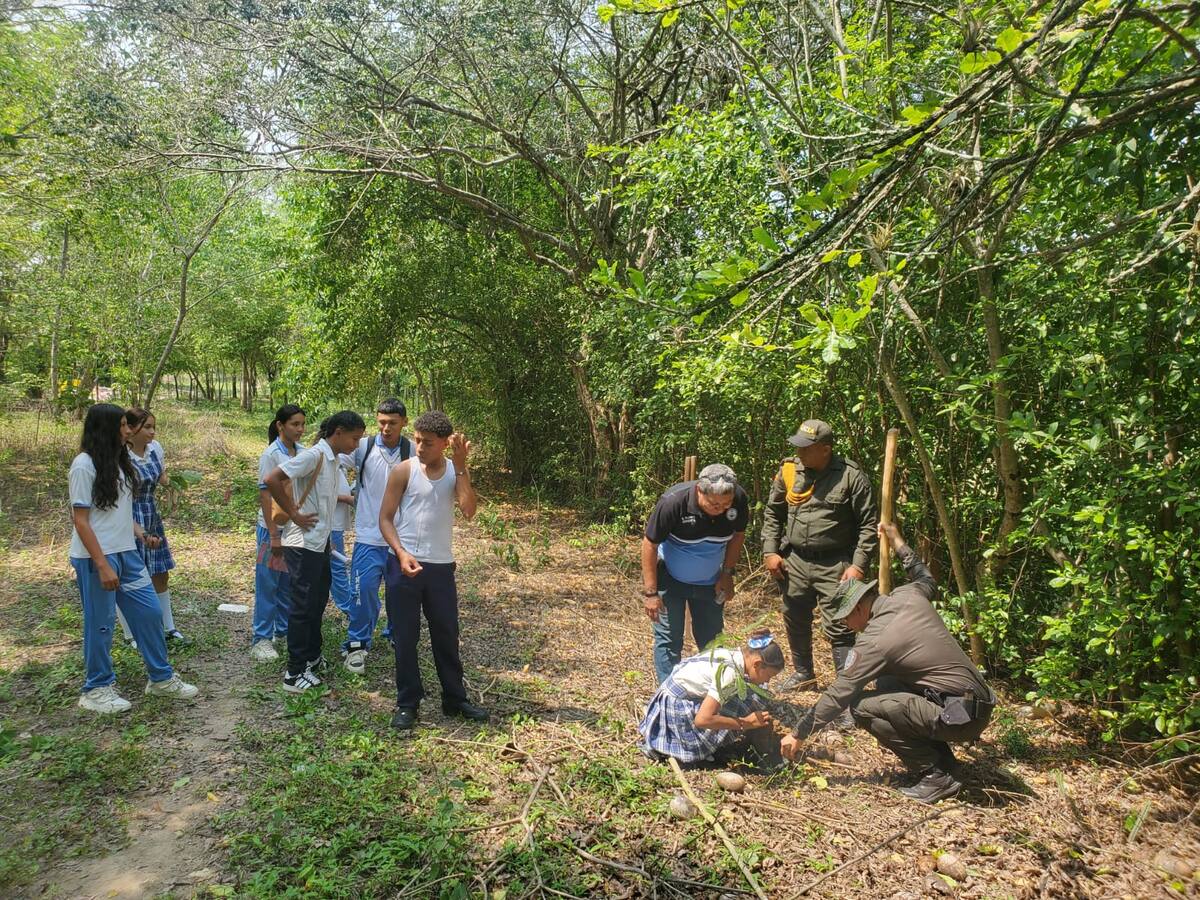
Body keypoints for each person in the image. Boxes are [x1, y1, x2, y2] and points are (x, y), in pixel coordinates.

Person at [780, 521, 995, 804]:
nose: (846, 627)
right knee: (887, 681)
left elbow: (840, 692)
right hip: (975, 704)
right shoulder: (907, 595)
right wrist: (897, 540)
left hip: (959, 716)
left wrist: (799, 733)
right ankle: (944, 764)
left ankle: (936, 775)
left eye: (845, 620)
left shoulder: (876, 639)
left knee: (861, 707)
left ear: (858, 608)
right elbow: (925, 577)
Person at [68, 403, 199, 714]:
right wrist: (102, 565)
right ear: (106, 429)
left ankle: (160, 679)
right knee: (101, 624)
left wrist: (140, 534)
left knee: (150, 613)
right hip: (95, 557)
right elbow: (81, 521)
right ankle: (96, 688)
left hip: (127, 552)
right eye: (123, 425)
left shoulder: (120, 462)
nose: (129, 430)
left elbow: (120, 512)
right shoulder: (84, 465)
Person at [378, 410, 487, 730]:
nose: (420, 447)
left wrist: (462, 466)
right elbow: (385, 519)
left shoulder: (455, 471)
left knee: (446, 633)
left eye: (427, 442)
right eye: (417, 440)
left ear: (444, 443)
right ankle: (407, 703)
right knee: (405, 636)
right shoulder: (404, 470)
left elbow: (469, 510)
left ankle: (454, 698)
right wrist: (400, 553)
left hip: (440, 567)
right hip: (402, 565)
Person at [761, 419, 878, 700]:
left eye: (806, 448)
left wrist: (858, 565)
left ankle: (845, 693)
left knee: (841, 626)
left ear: (826, 449)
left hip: (835, 564)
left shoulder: (850, 477)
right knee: (795, 616)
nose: (799, 453)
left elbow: (868, 526)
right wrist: (770, 551)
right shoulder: (790, 471)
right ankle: (804, 675)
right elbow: (773, 513)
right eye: (798, 447)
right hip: (795, 561)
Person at [265, 410, 367, 693]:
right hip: (302, 544)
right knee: (302, 606)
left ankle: (312, 657)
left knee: (317, 601)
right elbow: (272, 479)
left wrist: (326, 538)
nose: (356, 445)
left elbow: (324, 504)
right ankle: (294, 673)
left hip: (320, 543)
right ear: (338, 432)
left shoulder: (333, 460)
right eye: (354, 439)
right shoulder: (314, 456)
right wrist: (293, 513)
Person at [642, 463, 750, 685]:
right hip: (669, 579)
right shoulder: (673, 502)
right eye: (714, 504)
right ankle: (669, 692)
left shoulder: (739, 499)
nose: (721, 509)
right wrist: (651, 593)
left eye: (726, 504)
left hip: (710, 582)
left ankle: (715, 690)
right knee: (669, 639)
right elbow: (650, 544)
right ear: (699, 491)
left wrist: (727, 574)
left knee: (712, 639)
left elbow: (738, 535)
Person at [340, 399, 412, 674]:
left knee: (400, 593)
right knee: (363, 591)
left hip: (402, 539)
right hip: (368, 536)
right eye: (382, 422)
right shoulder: (363, 447)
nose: (386, 428)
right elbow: (331, 457)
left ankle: (397, 634)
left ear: (404, 422)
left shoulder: (412, 451)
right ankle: (357, 645)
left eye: (392, 423)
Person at [639, 629, 784, 765]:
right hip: (676, 709)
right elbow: (702, 720)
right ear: (757, 664)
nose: (767, 681)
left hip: (671, 694)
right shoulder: (730, 674)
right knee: (741, 707)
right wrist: (745, 723)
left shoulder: (734, 655)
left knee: (753, 695)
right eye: (769, 675)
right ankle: (697, 749)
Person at [114, 407, 187, 646]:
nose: (152, 432)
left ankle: (168, 627)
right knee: (130, 576)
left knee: (159, 572)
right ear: (131, 429)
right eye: (147, 427)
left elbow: (161, 477)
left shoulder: (155, 449)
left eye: (154, 427)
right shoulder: (121, 455)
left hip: (151, 514)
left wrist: (176, 486)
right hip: (128, 516)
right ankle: (131, 634)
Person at [250, 404, 306, 662]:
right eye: (294, 424)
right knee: (268, 584)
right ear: (280, 425)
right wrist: (273, 534)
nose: (300, 429)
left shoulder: (302, 452)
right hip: (272, 529)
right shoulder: (271, 454)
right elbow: (265, 495)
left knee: (287, 583)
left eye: (302, 424)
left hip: (294, 529)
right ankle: (261, 638)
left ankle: (282, 632)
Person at [329, 461, 354, 618]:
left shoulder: (338, 463)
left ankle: (348, 605)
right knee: (336, 566)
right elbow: (320, 493)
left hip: (335, 523)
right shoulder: (325, 461)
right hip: (329, 524)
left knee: (336, 565)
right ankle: (348, 607)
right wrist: (347, 498)